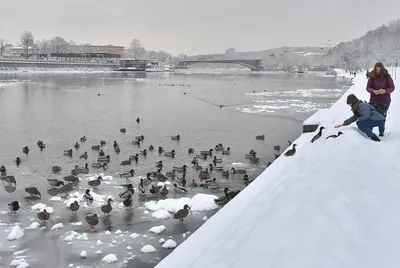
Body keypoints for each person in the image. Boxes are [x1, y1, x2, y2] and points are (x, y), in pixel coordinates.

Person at [366, 62, 395, 136]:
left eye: (379, 69)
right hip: (374, 100)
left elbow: (392, 88)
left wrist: (385, 91)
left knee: (382, 117)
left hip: (385, 100)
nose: (378, 71)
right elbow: (368, 87)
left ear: (382, 69)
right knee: (372, 116)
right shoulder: (372, 76)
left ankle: (381, 132)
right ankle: (370, 132)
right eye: (376, 69)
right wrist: (373, 91)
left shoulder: (387, 76)